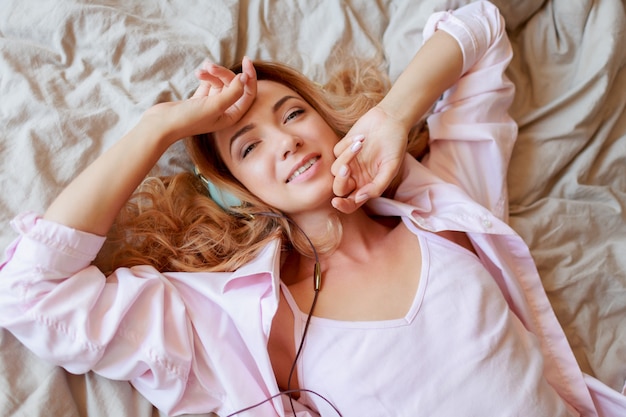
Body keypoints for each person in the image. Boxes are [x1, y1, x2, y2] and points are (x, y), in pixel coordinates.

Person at [0, 1, 624, 416]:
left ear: (328, 122)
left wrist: (393, 117)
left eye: (293, 113)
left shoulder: (443, 206)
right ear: (238, 193)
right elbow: (29, 291)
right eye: (249, 147)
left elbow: (481, 29)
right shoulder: (238, 324)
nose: (289, 141)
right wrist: (159, 128)